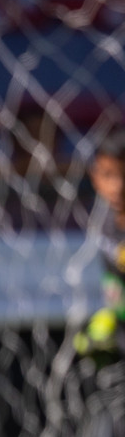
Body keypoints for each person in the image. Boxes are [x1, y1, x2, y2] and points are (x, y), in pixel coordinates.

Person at [75, 129, 125, 365]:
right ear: (94, 177)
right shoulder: (105, 222)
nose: (118, 186)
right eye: (109, 174)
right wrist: (111, 317)